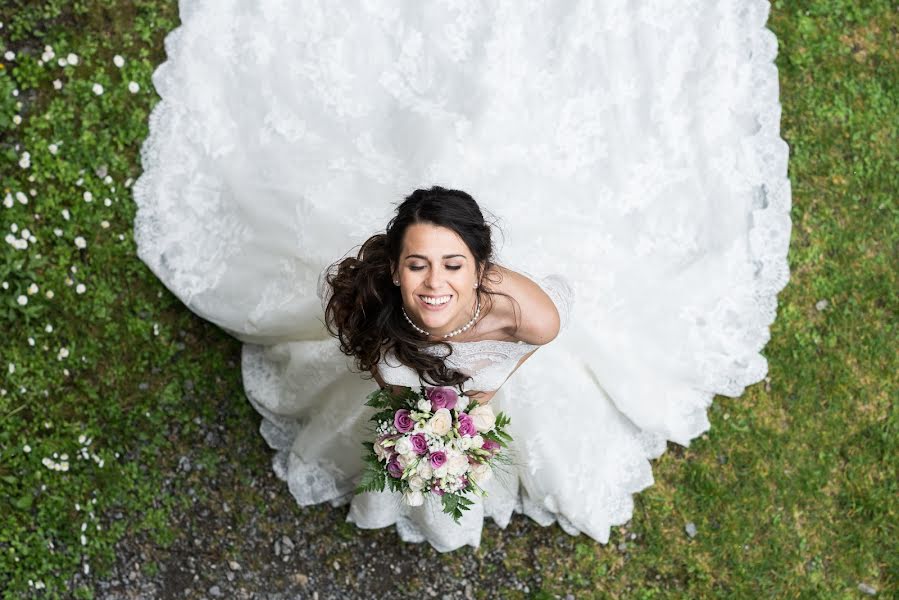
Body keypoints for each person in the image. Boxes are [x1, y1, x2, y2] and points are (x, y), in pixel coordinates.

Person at [133, 0, 792, 552]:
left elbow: (531, 336)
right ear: (393, 269)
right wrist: (418, 416)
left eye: (451, 267)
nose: (433, 284)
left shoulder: (522, 310)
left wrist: (471, 404)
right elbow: (381, 346)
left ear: (482, 271)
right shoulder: (373, 306)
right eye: (416, 266)